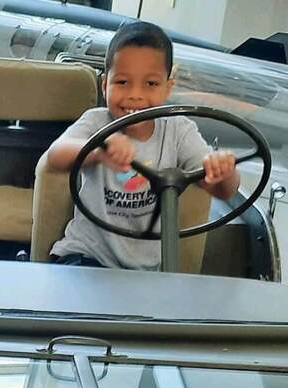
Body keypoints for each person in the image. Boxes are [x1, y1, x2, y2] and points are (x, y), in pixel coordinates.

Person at [46, 21, 239, 269]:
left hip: (145, 271)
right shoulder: (96, 123)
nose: (135, 95)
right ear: (105, 85)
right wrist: (98, 150)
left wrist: (224, 170)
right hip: (87, 257)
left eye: (150, 84)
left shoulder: (179, 130)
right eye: (123, 82)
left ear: (168, 87)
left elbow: (222, 189)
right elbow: (55, 156)